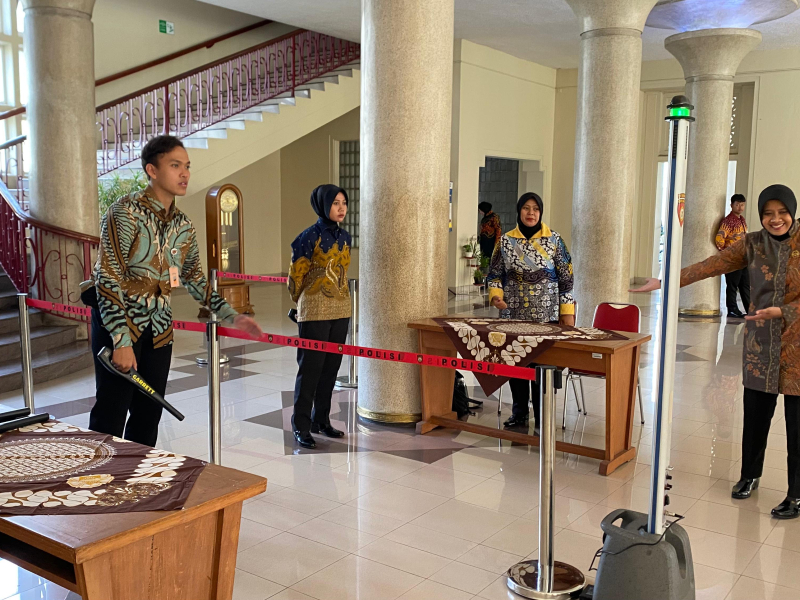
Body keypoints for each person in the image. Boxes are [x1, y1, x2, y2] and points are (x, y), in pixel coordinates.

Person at [634, 184, 800, 519]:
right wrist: (666, 280)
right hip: (760, 345)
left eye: (782, 212)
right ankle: (750, 475)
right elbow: (712, 264)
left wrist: (784, 312)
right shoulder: (752, 243)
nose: (775, 219)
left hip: (797, 346)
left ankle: (796, 494)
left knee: (797, 425)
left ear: (792, 212)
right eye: (768, 213)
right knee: (755, 416)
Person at [90, 135, 262, 447]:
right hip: (120, 327)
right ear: (152, 170)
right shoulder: (124, 212)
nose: (185, 173)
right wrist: (121, 341)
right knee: (110, 414)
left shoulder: (184, 225)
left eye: (187, 166)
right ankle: (101, 476)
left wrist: (231, 316)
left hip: (159, 330)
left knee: (148, 415)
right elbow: (107, 276)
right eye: (175, 165)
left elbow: (195, 278)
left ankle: (138, 474)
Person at [487, 192, 575, 431]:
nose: (531, 213)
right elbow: (494, 275)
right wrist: (496, 296)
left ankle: (542, 415)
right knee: (516, 364)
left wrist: (567, 313)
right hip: (512, 314)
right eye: (526, 208)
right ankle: (519, 413)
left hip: (546, 316)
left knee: (541, 367)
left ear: (541, 212)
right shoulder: (505, 241)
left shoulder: (554, 240)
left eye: (535, 209)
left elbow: (567, 279)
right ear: (519, 211)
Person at [288, 185, 352, 449]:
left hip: (341, 309)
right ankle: (301, 425)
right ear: (323, 205)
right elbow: (295, 277)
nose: (341, 208)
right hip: (314, 310)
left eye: (344, 203)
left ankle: (321, 420)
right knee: (310, 369)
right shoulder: (308, 236)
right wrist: (304, 303)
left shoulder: (345, 236)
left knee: (331, 368)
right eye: (335, 203)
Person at [716, 193, 750, 318]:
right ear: (731, 205)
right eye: (737, 205)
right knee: (732, 285)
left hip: (743, 258)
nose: (740, 207)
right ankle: (732, 309)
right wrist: (726, 253)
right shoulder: (728, 221)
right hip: (733, 259)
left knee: (745, 285)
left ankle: (750, 309)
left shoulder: (742, 220)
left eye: (742, 205)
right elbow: (719, 239)